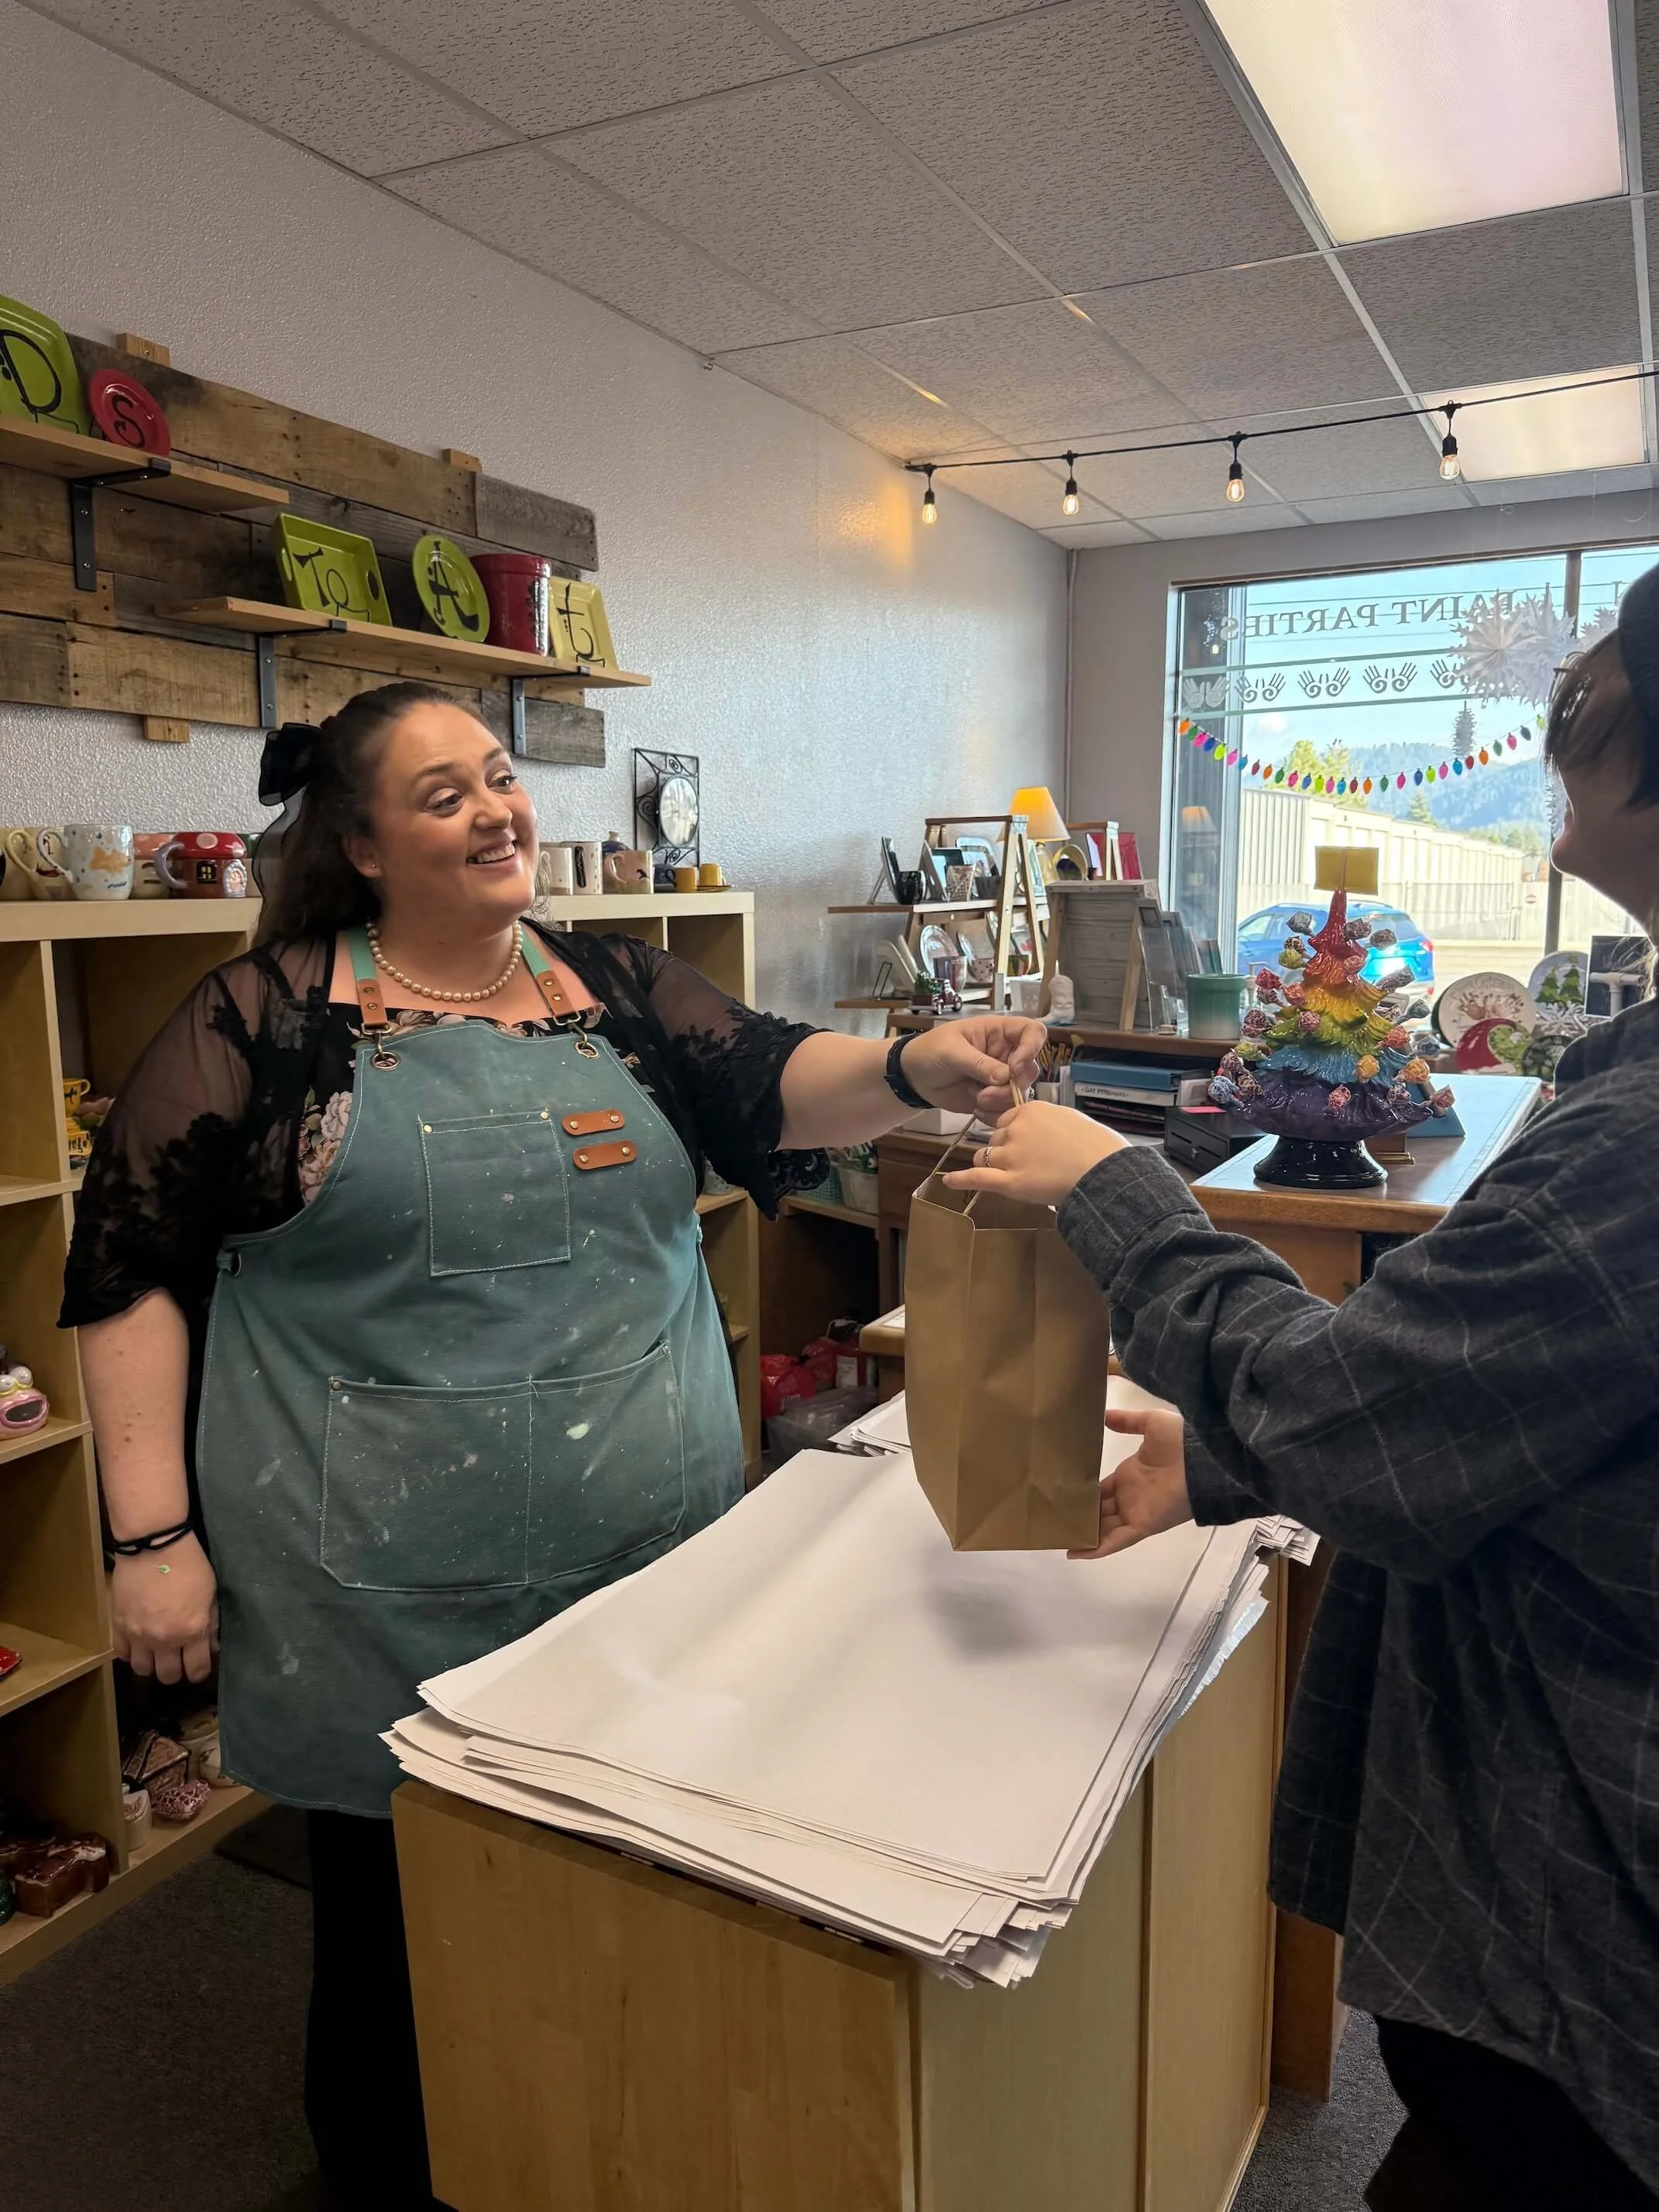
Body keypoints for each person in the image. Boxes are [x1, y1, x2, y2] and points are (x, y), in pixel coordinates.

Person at [64, 680, 1043, 2208]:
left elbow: (779, 1070)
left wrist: (914, 1069)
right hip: (375, 1574)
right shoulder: (261, 1024)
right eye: (444, 793)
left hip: (638, 1548)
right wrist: (149, 1537)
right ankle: (395, 2174)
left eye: (503, 777)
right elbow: (125, 1273)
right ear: (365, 843)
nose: (497, 810)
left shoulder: (622, 989)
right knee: (405, 1928)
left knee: (628, 1886)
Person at [945, 571, 1659, 2212]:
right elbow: (1502, 1415)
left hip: (1585, 1971)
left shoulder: (1636, 1140)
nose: (1575, 705)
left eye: (1603, 685)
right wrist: (1222, 1462)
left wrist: (1113, 1188)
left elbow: (1365, 1411)